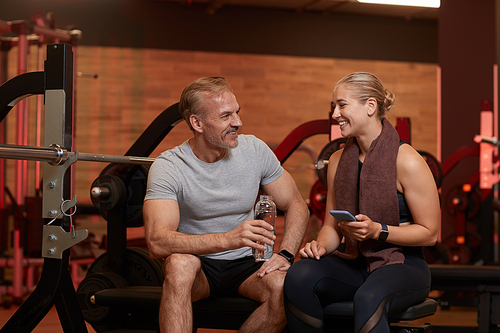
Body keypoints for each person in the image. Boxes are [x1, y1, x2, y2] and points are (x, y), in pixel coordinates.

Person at [143, 77, 310, 333]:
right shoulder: (169, 166)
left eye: (237, 112)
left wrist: (286, 254)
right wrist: (229, 239)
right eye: (225, 116)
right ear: (197, 123)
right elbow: (157, 242)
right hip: (198, 265)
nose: (237, 122)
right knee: (179, 265)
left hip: (248, 265)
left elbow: (297, 204)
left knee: (286, 287)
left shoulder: (254, 150)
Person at [283, 72, 440, 333]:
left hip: (403, 264)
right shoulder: (336, 161)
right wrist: (320, 247)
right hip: (354, 260)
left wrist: (378, 230)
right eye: (334, 106)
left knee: (368, 297)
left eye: (342, 105)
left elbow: (430, 233)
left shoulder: (407, 160)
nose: (335, 114)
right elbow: (332, 227)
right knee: (298, 277)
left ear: (370, 106)